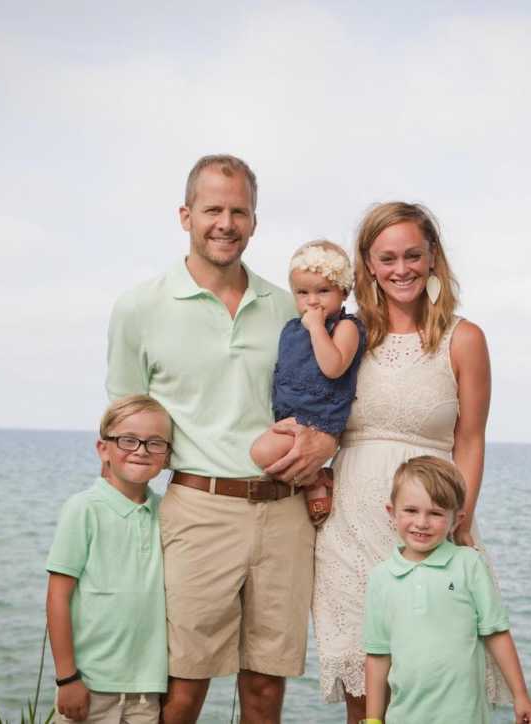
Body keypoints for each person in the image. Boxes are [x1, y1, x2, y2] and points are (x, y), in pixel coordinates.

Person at [106, 154, 337, 724]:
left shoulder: (288, 307)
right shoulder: (140, 307)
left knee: (263, 690)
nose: (226, 223)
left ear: (255, 221)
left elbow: (324, 393)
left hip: (284, 515)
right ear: (186, 215)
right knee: (181, 692)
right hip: (197, 510)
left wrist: (325, 447)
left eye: (240, 211)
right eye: (213, 209)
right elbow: (123, 425)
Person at [312, 201, 511, 723]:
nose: (401, 269)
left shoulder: (464, 339)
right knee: (366, 690)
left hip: (432, 528)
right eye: (387, 258)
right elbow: (313, 416)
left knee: (439, 680)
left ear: (432, 258)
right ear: (368, 266)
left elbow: (470, 440)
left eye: (413, 255)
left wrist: (460, 521)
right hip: (350, 526)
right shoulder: (350, 336)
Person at [363, 456, 531, 724]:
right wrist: (373, 720)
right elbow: (377, 657)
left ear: (456, 520)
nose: (421, 523)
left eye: (435, 513)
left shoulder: (469, 563)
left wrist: (521, 695)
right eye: (411, 511)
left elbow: (497, 633)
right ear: (392, 512)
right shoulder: (380, 579)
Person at [45, 394, 173, 723]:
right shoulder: (83, 508)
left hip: (147, 692)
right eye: (128, 440)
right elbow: (58, 597)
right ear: (104, 449)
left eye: (155, 442)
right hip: (88, 687)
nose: (142, 450)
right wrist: (67, 678)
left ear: (168, 454)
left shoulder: (169, 513)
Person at [250, 240, 366, 521]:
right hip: (290, 415)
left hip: (320, 416)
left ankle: (313, 479)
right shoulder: (292, 328)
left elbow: (333, 367)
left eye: (323, 291)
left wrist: (316, 328)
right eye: (302, 293)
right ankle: (314, 480)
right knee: (264, 453)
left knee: (261, 452)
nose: (311, 301)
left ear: (344, 291)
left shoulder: (346, 327)